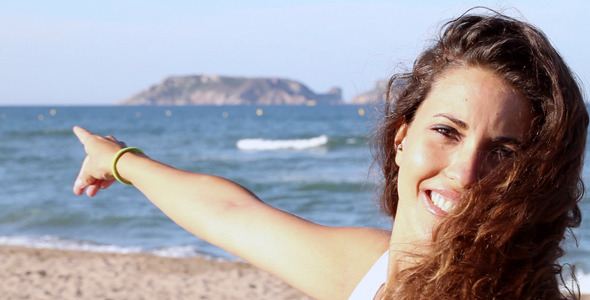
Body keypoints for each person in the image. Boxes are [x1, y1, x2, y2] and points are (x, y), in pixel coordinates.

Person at [73, 8, 588, 300]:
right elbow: (230, 212)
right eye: (447, 131)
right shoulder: (371, 268)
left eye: (503, 152)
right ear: (400, 138)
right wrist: (120, 160)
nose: (466, 171)